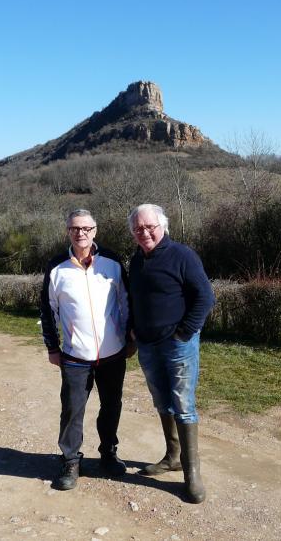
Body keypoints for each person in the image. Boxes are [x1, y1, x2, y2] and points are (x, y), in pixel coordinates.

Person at [127, 203, 215, 504]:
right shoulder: (136, 261)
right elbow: (134, 299)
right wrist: (134, 330)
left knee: (183, 405)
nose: (144, 232)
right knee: (162, 401)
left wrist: (184, 332)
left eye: (149, 226)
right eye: (138, 228)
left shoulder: (182, 255)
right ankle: (173, 456)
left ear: (162, 225)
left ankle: (192, 474)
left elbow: (205, 297)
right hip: (148, 345)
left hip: (178, 344)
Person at [40, 209, 131, 491]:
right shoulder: (56, 267)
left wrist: (130, 339)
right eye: (74, 228)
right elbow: (48, 309)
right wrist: (52, 346)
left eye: (86, 228)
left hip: (113, 352)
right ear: (68, 231)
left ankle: (108, 453)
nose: (80, 233)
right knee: (72, 409)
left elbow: (126, 301)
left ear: (95, 230)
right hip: (75, 355)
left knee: (111, 405)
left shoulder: (112, 261)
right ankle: (70, 460)